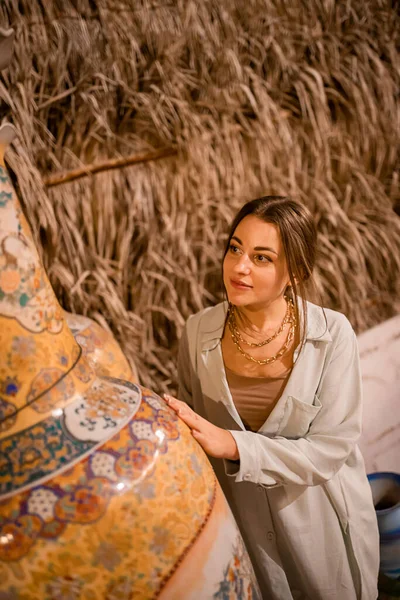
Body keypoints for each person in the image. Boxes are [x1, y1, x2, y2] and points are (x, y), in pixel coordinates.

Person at [164, 196, 379, 600]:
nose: (239, 267)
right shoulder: (196, 333)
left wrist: (234, 445)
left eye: (262, 258)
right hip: (241, 528)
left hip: (318, 524)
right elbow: (193, 435)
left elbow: (329, 449)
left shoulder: (332, 336)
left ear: (295, 271)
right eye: (235, 248)